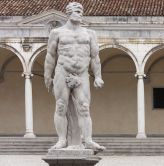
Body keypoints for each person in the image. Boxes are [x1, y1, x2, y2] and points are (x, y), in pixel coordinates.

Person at [44, 2, 105, 151]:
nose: (80, 13)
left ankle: (88, 140)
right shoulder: (57, 32)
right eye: (77, 11)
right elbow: (50, 55)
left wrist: (98, 76)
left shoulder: (90, 34)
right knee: (60, 106)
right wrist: (47, 76)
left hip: (82, 73)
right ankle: (62, 140)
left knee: (84, 107)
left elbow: (95, 57)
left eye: (81, 11)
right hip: (62, 71)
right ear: (68, 13)